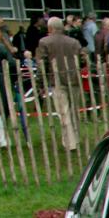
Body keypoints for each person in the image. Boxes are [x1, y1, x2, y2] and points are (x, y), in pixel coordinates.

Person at [34, 16, 84, 149]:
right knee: (74, 110)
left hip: (57, 80)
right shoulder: (74, 42)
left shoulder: (44, 42)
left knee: (64, 111)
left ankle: (70, 142)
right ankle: (76, 137)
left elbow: (42, 64)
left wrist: (39, 83)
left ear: (50, 28)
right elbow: (83, 59)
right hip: (73, 79)